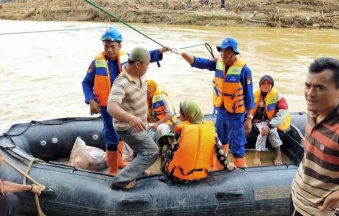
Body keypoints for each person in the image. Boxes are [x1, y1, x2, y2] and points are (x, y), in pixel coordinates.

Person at [82, 27, 167, 176]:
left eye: (112, 46)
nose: (109, 50)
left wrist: (159, 52)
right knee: (111, 135)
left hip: (126, 104)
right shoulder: (97, 63)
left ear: (120, 46)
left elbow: (143, 59)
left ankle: (121, 162)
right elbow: (86, 83)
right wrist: (90, 100)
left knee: (125, 132)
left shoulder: (127, 58)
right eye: (106, 46)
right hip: (108, 107)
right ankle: (113, 169)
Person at [290, 57, 339, 216]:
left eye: (320, 88)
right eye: (308, 85)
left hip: (320, 212)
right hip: (296, 200)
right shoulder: (312, 113)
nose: (310, 93)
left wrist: (338, 196)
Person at [177, 37, 254, 168]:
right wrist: (182, 53)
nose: (222, 54)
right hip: (221, 110)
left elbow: (249, 96)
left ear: (234, 52)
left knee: (238, 139)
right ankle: (221, 162)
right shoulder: (218, 63)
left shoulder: (244, 70)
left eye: (226, 51)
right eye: (221, 50)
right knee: (221, 135)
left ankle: (240, 164)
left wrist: (249, 118)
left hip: (236, 113)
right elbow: (199, 62)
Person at [107, 47, 159, 190]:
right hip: (128, 127)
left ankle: (139, 170)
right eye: (147, 65)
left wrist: (161, 51)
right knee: (152, 151)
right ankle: (121, 180)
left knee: (143, 145)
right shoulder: (121, 82)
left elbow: (146, 57)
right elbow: (111, 107)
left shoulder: (139, 72)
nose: (148, 68)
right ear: (137, 65)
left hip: (140, 123)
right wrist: (131, 119)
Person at [159, 100, 235, 182]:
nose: (179, 116)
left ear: (188, 115)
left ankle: (165, 176)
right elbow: (220, 151)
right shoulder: (211, 130)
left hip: (180, 177)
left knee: (165, 148)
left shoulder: (180, 131)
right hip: (202, 174)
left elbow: (172, 153)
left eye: (181, 114)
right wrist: (227, 165)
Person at [252, 75, 291, 166]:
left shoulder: (278, 96)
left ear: (272, 85)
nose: (266, 86)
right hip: (258, 121)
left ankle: (278, 154)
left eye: (268, 84)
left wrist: (270, 125)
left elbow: (282, 113)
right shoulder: (254, 94)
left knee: (272, 132)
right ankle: (257, 155)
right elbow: (247, 108)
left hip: (272, 120)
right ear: (260, 85)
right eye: (263, 83)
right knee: (263, 131)